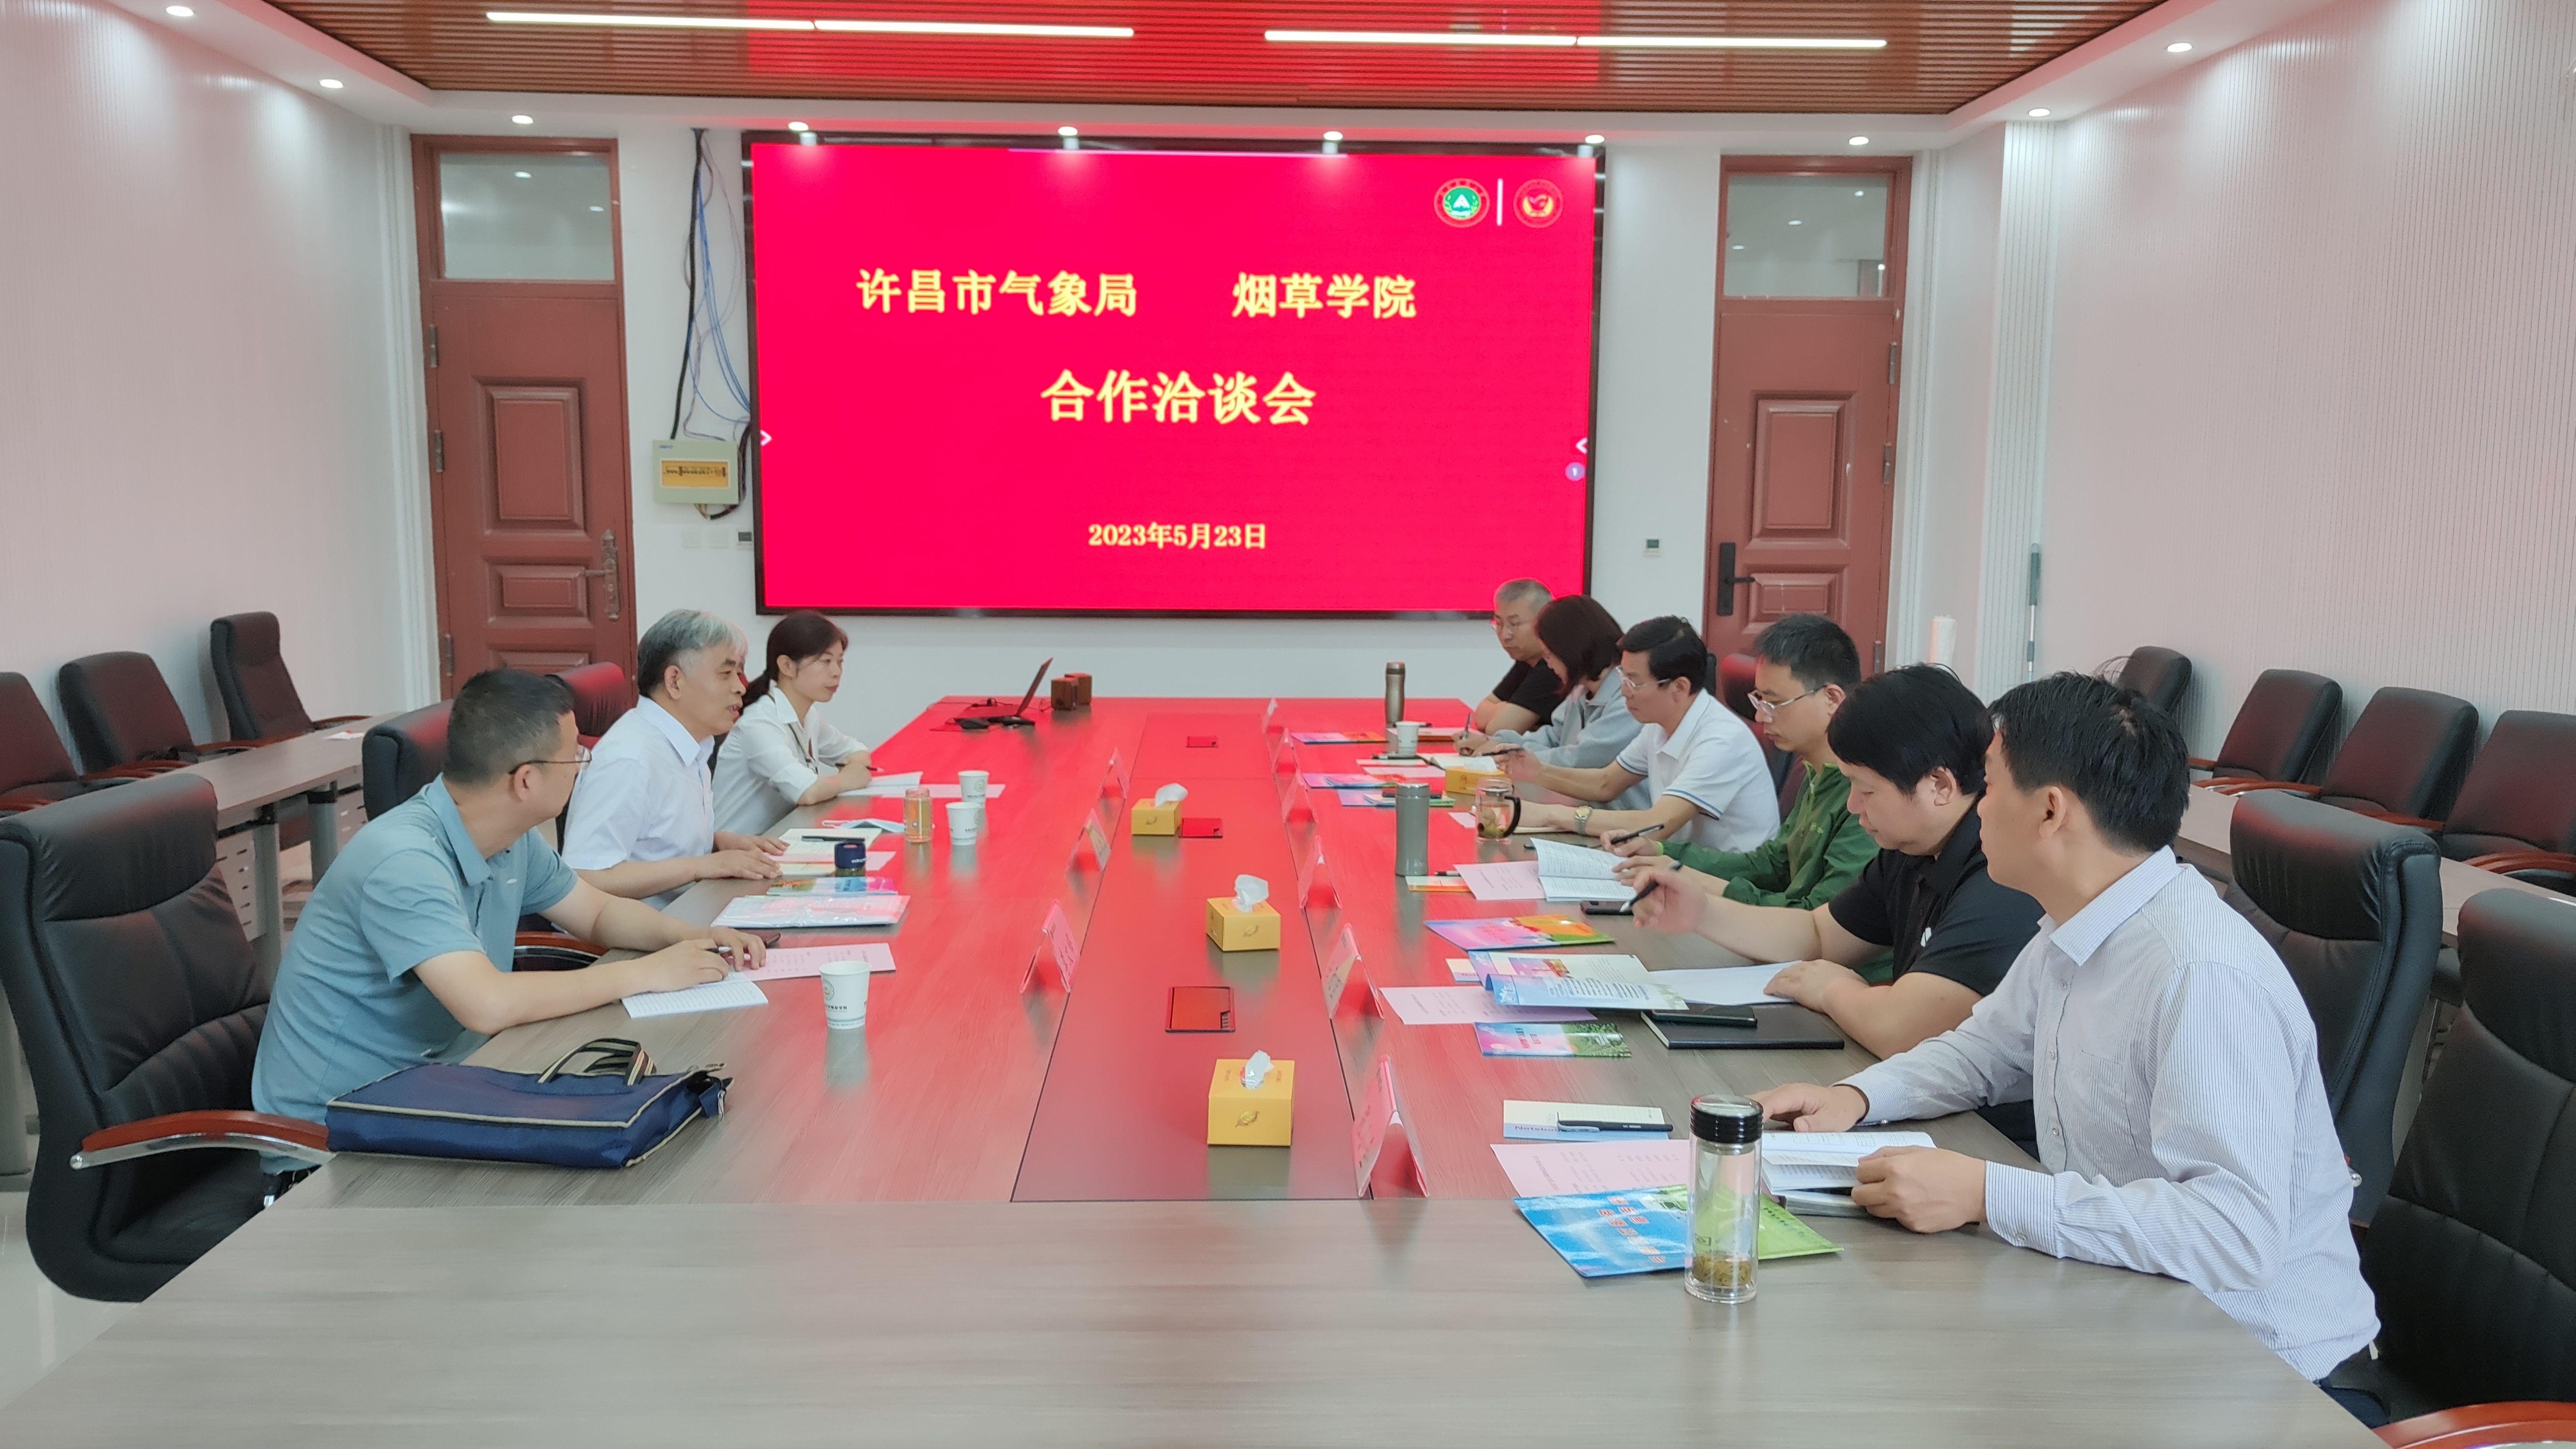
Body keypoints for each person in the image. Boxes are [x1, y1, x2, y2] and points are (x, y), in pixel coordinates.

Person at [1749, 672, 2380, 1412]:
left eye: (1991, 785)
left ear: (2049, 811)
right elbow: (1984, 1050)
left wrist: (1987, 1193)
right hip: (2127, 1313)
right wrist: (1856, 1098)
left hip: (2262, 1378)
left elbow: (2233, 1234)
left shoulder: (2200, 973)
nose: (1978, 805)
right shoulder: (2073, 927)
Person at [252, 669, 767, 1137]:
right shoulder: (403, 860)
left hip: (443, 1084)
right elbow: (486, 1003)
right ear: (526, 780)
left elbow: (596, 913)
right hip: (337, 1129)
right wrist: (645, 973)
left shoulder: (509, 837)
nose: (583, 767)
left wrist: (692, 938)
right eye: (575, 756)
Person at [1625, 664, 2043, 1063]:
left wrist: (1833, 989)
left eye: (1867, 790)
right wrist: (1702, 912)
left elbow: (1899, 1029)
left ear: (1939, 785)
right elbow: (1819, 935)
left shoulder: (2000, 875)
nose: (1853, 806)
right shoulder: (1912, 850)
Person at [1609, 613, 1876, 911]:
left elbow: (1818, 916)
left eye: (1775, 703)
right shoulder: (1817, 774)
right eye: (1760, 700)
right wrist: (1662, 852)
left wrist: (1689, 878)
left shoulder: (1866, 794)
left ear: (1832, 699)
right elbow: (1772, 864)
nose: (1761, 716)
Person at [564, 609, 786, 906]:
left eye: (739, 673)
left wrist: (718, 843)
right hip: (642, 929)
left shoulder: (693, 742)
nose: (741, 687)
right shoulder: (630, 759)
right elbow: (586, 876)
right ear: (675, 681)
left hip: (689, 908)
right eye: (726, 674)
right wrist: (702, 866)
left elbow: (653, 840)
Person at [1502, 616, 1778, 852]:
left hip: (1728, 880)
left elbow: (1655, 825)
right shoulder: (1660, 725)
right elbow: (1606, 784)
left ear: (1679, 688)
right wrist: (1537, 772)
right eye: (1623, 677)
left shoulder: (1720, 741)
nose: (1624, 691)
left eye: (1634, 682)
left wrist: (1551, 815)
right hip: (1679, 864)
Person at [1457, 597, 1644, 804]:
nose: (1548, 664)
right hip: (1576, 805)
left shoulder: (1627, 700)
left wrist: (1513, 756)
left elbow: (1580, 759)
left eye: (1548, 655)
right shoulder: (1581, 691)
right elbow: (1553, 737)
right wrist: (1499, 745)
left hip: (1616, 813)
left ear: (1571, 650)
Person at [714, 610, 873, 837]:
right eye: (826, 661)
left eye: (840, 662)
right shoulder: (759, 723)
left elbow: (856, 751)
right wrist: (846, 780)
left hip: (778, 840)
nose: (837, 672)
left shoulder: (809, 716)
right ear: (787, 666)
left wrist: (852, 770)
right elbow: (806, 792)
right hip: (736, 851)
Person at [1466, 578, 1565, 734]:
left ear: (1544, 621)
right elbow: (1481, 715)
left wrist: (1510, 713)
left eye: (1515, 624)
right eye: (1499, 624)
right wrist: (1513, 711)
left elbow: (1498, 728)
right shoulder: (1527, 660)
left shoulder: (1553, 666)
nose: (1505, 635)